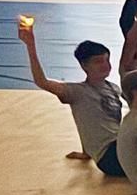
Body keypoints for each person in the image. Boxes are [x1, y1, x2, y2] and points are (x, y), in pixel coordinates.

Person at [18, 22, 123, 175]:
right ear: (84, 66)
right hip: (110, 156)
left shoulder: (113, 88)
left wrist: (86, 152)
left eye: (107, 60)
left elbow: (92, 122)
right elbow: (42, 82)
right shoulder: (76, 92)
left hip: (121, 146)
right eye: (98, 61)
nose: (105, 65)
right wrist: (30, 46)